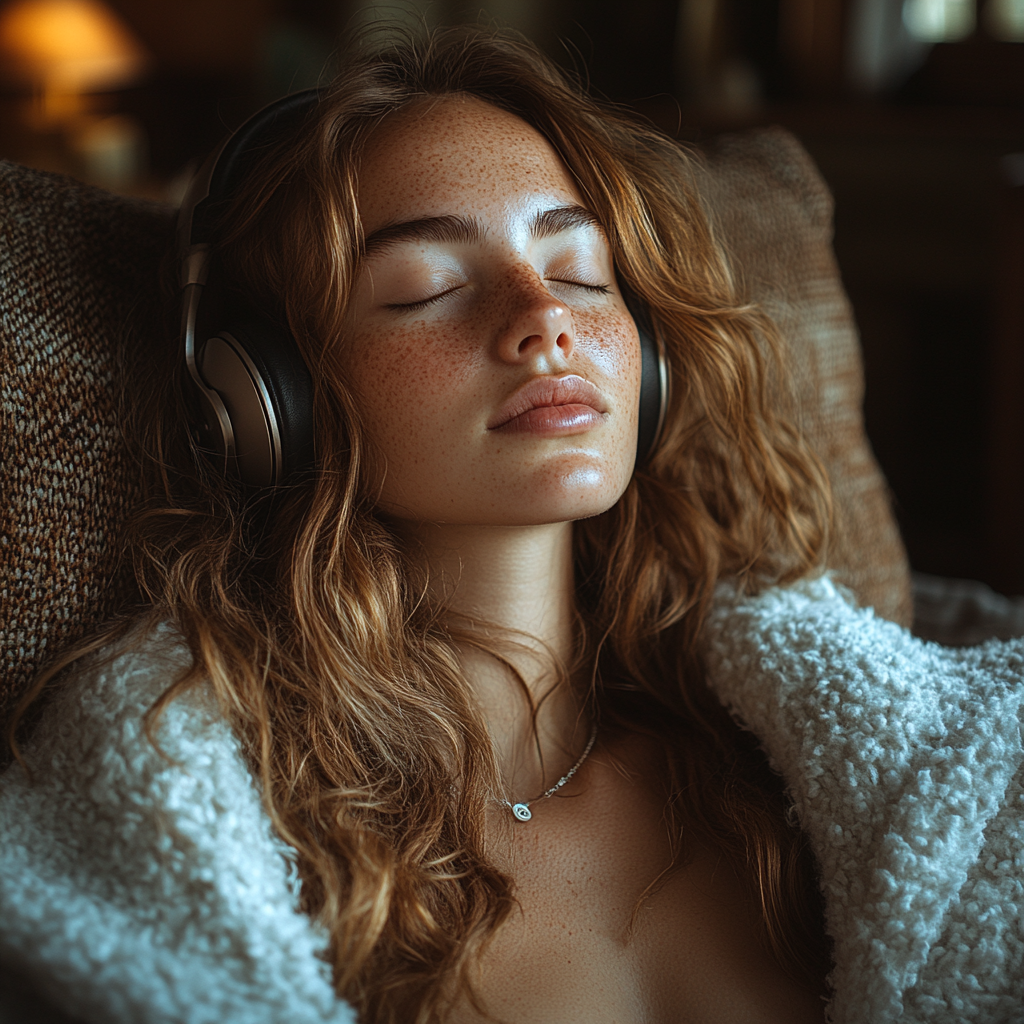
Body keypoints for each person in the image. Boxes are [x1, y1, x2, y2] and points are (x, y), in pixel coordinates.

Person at [2, 26, 1022, 1024]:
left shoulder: (817, 764)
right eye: (429, 288)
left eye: (581, 272)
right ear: (269, 397)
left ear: (651, 360)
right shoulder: (201, 809)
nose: (547, 317)